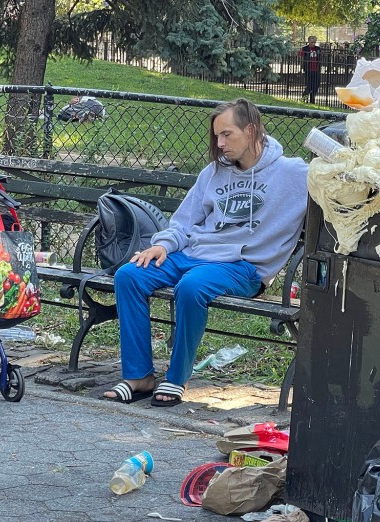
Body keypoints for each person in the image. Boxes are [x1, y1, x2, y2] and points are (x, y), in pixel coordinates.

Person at [102, 98, 309, 407]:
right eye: (216, 136)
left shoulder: (293, 174)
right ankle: (139, 376)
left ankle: (176, 378)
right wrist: (162, 244)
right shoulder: (213, 173)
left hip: (243, 266)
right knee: (130, 275)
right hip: (194, 255)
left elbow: (338, 182)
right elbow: (184, 222)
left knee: (192, 286)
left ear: (251, 130)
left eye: (227, 134)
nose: (219, 143)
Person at [299, 36, 322, 104]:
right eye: (312, 42)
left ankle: (312, 100)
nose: (313, 44)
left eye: (314, 42)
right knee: (309, 85)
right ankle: (304, 98)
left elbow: (320, 57)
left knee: (316, 85)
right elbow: (301, 57)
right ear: (309, 41)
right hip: (308, 70)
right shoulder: (305, 48)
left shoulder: (318, 49)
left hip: (316, 70)